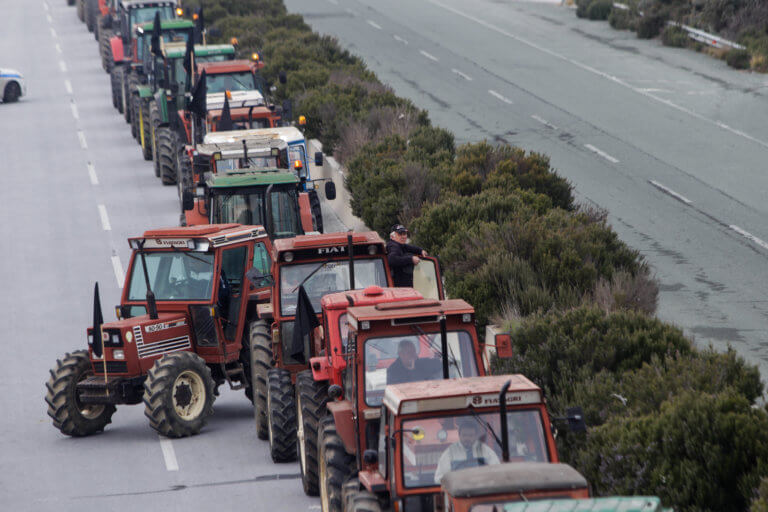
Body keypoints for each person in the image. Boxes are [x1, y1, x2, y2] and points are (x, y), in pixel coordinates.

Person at [433, 418, 500, 484]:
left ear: (476, 436)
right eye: (464, 435)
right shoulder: (450, 452)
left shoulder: (485, 450)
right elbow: (439, 478)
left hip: (480, 488)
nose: (467, 438)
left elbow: (497, 470)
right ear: (459, 435)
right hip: (458, 490)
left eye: (470, 435)